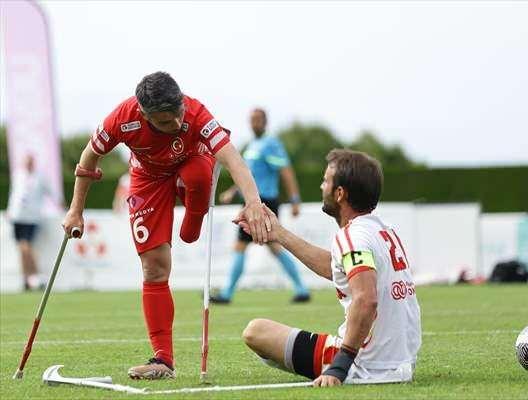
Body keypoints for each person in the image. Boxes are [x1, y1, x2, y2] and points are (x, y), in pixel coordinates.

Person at [62, 72, 271, 380]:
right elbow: (89, 158)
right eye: (163, 122)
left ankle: (193, 216)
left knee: (198, 177)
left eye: (178, 116)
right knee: (154, 269)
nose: (175, 125)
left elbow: (233, 159)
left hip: (192, 161)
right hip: (148, 178)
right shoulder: (121, 119)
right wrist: (75, 211)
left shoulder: (196, 112)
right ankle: (163, 360)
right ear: (143, 114)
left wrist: (253, 202)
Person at [239, 149, 421, 386]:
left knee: (256, 331)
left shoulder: (352, 236)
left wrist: (339, 366)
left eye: (325, 181)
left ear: (340, 193)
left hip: (367, 364)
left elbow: (366, 299)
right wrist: (279, 233)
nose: (321, 186)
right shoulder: (382, 229)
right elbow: (336, 268)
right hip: (401, 361)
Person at [211, 108, 310, 304]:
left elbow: (285, 170)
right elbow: (247, 175)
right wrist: (232, 191)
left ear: (265, 122)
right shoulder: (252, 146)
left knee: (242, 246)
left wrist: (295, 199)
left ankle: (227, 294)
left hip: (263, 203)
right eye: (251, 120)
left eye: (257, 120)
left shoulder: (271, 144)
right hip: (252, 201)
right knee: (274, 246)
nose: (254, 123)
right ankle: (302, 289)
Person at [7, 154, 51, 291]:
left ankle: (35, 276)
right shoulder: (18, 175)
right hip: (17, 215)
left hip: (32, 217)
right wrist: (10, 209)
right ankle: (26, 279)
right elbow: (13, 194)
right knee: (21, 248)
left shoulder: (40, 177)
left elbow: (50, 192)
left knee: (26, 246)